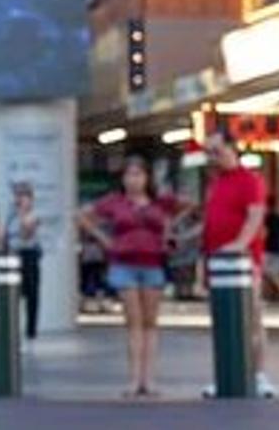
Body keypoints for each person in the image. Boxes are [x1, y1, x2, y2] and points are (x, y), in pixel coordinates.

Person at [79, 156, 186, 398]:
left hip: (152, 263)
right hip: (124, 263)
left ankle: (149, 379)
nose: (133, 180)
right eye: (129, 175)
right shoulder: (115, 202)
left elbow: (188, 205)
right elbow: (83, 216)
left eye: (138, 175)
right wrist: (105, 239)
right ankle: (134, 378)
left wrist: (169, 228)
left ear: (147, 178)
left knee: (150, 323)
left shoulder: (160, 202)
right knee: (133, 322)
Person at [201, 128, 276, 398]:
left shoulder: (250, 180)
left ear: (232, 148)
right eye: (208, 152)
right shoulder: (216, 182)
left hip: (242, 263)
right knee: (222, 321)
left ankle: (258, 375)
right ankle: (225, 375)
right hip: (217, 262)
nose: (212, 157)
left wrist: (239, 246)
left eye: (216, 151)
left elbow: (255, 217)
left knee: (252, 318)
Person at [6, 180, 43, 339]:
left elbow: (26, 233)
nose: (19, 199)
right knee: (14, 293)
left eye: (23, 195)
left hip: (29, 255)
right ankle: (12, 327)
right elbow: (5, 234)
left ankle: (31, 329)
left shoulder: (34, 214)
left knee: (32, 293)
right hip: (14, 254)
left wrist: (22, 213)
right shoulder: (10, 214)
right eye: (17, 195)